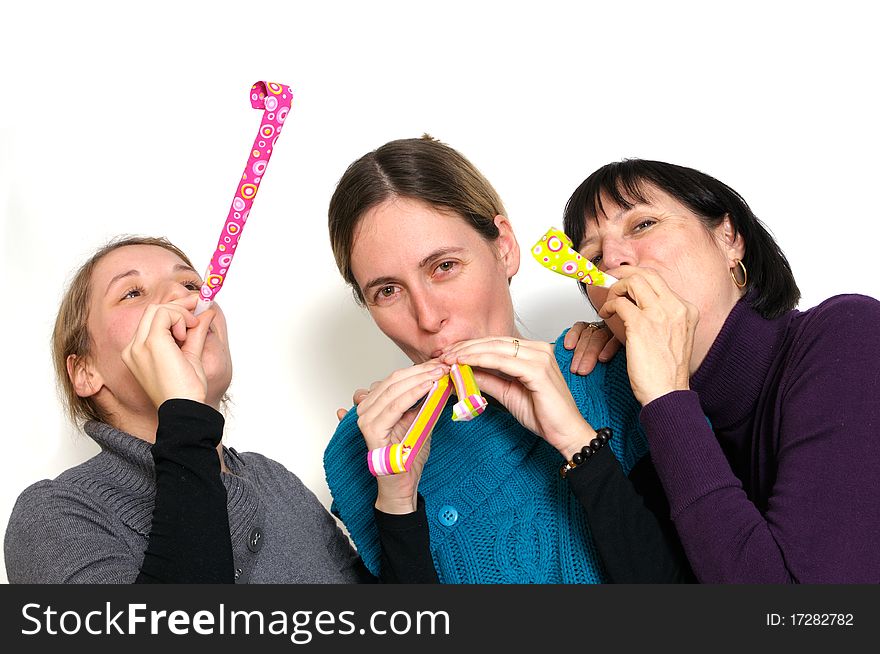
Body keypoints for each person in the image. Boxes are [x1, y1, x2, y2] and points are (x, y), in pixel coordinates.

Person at [323, 136, 693, 583]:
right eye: (387, 291)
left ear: (505, 247)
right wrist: (397, 505)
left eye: (444, 266)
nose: (428, 317)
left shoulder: (623, 376)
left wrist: (581, 444)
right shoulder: (358, 456)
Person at [4, 236, 410, 583]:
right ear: (85, 371)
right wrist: (182, 410)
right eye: (132, 293)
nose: (185, 298)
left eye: (190, 283)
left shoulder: (274, 481)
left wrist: (397, 496)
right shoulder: (53, 516)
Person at [560, 159, 880, 583]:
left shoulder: (849, 334)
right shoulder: (637, 417)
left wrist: (667, 396)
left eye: (642, 224)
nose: (614, 261)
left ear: (729, 238)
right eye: (593, 257)